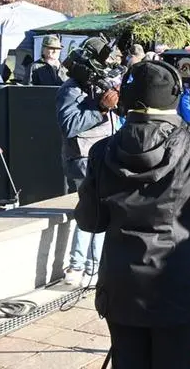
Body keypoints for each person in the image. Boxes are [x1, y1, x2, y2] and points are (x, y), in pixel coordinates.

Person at [74, 60, 190, 369]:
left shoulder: (103, 151)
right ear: (173, 96)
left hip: (121, 290)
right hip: (176, 287)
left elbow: (90, 220)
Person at [56, 37, 119, 286]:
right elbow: (69, 125)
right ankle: (78, 267)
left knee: (100, 212)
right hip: (83, 159)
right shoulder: (70, 89)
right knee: (90, 213)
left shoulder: (96, 86)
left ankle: (93, 267)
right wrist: (100, 109)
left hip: (103, 157)